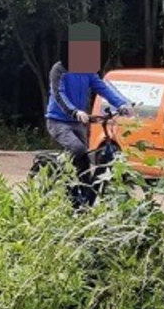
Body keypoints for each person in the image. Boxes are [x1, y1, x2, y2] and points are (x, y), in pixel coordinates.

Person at [45, 22, 133, 208]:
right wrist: (74, 112)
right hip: (58, 121)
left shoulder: (88, 70)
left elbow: (104, 88)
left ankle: (81, 201)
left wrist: (123, 103)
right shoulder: (59, 69)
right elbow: (58, 93)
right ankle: (64, 182)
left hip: (78, 122)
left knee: (85, 161)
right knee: (77, 150)